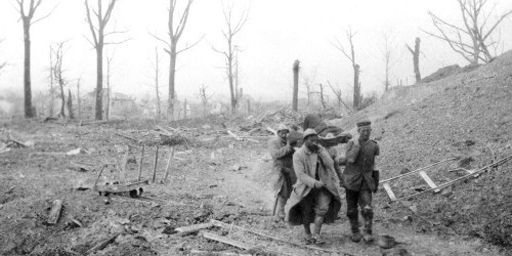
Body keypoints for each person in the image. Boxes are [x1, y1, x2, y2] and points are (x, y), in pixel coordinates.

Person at [285, 129, 342, 245]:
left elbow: (330, 165)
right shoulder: (298, 154)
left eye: (316, 140)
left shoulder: (320, 150)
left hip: (323, 186)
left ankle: (317, 235)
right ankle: (307, 234)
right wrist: (315, 183)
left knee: (322, 209)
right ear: (305, 140)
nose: (314, 143)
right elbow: (300, 175)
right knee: (306, 211)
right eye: (311, 141)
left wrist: (322, 151)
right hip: (306, 187)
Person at [341, 120, 380, 243]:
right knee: (352, 209)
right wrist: (357, 145)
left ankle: (367, 232)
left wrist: (376, 181)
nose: (366, 133)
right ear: (358, 131)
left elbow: (374, 165)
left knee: (367, 208)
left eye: (368, 130)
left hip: (366, 181)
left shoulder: (374, 145)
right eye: (363, 131)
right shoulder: (351, 144)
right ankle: (355, 231)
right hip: (351, 181)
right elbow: (351, 159)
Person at [268, 124, 298, 221]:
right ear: (278, 133)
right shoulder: (273, 142)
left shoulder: (288, 142)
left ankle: (282, 211)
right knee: (282, 191)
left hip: (289, 170)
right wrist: (288, 147)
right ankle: (279, 213)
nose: (284, 135)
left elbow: (294, 154)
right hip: (279, 169)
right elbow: (276, 154)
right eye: (282, 133)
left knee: (289, 191)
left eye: (286, 133)